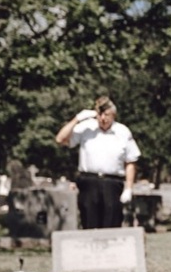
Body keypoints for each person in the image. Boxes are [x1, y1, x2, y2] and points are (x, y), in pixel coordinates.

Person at [55, 96, 140, 229]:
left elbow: (131, 161)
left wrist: (128, 188)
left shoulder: (122, 132)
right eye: (100, 114)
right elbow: (60, 139)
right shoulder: (86, 128)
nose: (103, 118)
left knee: (111, 222)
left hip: (112, 182)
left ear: (113, 115)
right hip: (89, 181)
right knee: (89, 221)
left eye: (107, 115)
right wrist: (77, 119)